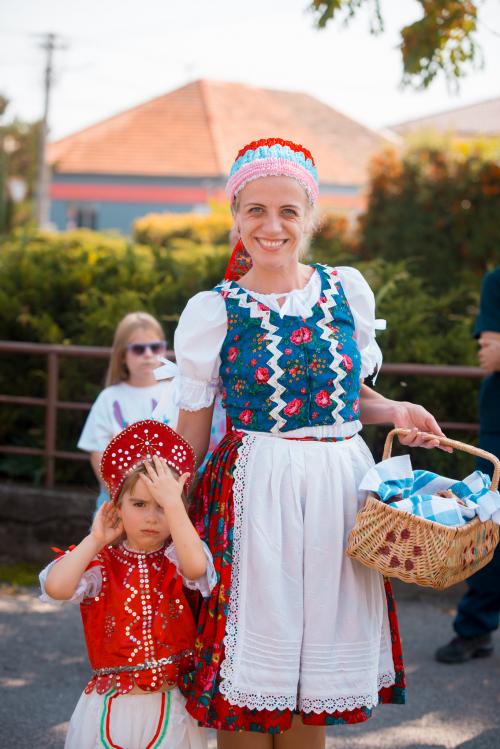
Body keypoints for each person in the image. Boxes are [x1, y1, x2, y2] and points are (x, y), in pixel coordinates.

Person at [171, 138, 447, 748]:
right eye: (256, 211)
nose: (271, 226)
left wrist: (397, 408)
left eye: (288, 211)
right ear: (236, 218)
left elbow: (349, 399)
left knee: (309, 689)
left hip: (336, 494)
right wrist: (161, 516)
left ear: (310, 217)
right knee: (244, 686)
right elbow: (189, 438)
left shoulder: (346, 291)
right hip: (250, 499)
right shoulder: (212, 311)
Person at [39, 419, 215, 749]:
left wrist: (174, 503)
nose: (152, 517)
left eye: (163, 507)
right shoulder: (101, 561)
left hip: (170, 705)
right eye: (139, 504)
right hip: (110, 705)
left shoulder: (178, 556)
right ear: (117, 505)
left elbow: (196, 566)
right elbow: (57, 588)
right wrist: (94, 539)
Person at [435, 266, 500, 664]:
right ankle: (474, 629)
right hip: (498, 425)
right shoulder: (497, 281)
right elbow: (491, 356)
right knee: (488, 526)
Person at [78, 311, 178, 508]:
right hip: (117, 502)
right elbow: (98, 453)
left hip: (165, 503)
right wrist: (123, 496)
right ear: (122, 355)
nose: (148, 354)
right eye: (138, 349)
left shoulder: (176, 393)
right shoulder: (109, 398)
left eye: (156, 347)